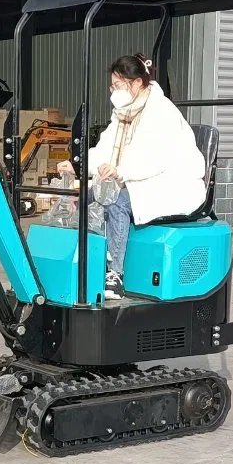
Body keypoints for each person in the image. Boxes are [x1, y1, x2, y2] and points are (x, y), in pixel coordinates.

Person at [59, 54, 207, 298]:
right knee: (85, 198)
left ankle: (115, 273)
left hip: (172, 183)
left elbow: (155, 157)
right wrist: (80, 164)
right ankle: (84, 263)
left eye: (118, 85)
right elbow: (106, 147)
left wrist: (121, 171)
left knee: (116, 200)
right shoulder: (124, 113)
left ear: (137, 83)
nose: (114, 91)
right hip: (143, 178)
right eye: (113, 86)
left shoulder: (161, 112)